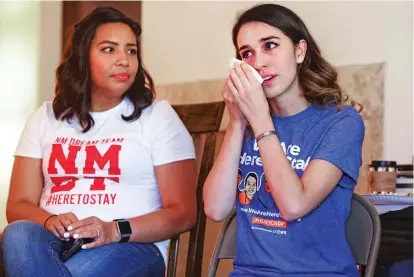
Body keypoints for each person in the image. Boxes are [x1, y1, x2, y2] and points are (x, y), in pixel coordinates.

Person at [0, 7, 197, 277]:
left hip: (129, 246)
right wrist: (49, 220)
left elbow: (183, 213)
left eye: (131, 51)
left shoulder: (158, 117)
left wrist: (113, 230)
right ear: (82, 57)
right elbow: (18, 204)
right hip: (55, 242)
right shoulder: (46, 118)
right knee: (18, 233)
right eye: (109, 49)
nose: (124, 60)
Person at [203, 3, 365, 277]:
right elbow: (216, 208)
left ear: (299, 51)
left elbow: (294, 206)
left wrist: (261, 121)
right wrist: (238, 124)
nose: (259, 62)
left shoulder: (342, 123)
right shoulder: (248, 124)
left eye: (270, 45)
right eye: (247, 53)